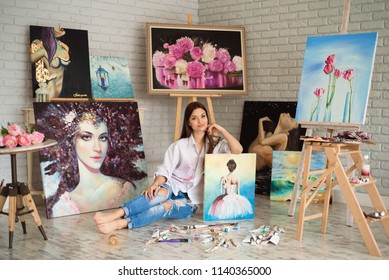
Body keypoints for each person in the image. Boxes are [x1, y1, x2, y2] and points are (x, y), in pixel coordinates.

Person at [93, 101, 243, 234]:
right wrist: (156, 183)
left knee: (165, 207)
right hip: (173, 185)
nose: (200, 121)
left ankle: (122, 223)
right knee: (157, 194)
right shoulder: (179, 146)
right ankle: (117, 213)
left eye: (203, 116)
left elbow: (238, 150)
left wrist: (221, 129)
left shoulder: (217, 144)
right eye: (194, 118)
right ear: (188, 122)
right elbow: (166, 169)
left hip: (192, 201)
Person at [35, 102, 147, 218]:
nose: (97, 148)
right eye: (86, 137)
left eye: (103, 138)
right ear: (71, 141)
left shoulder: (123, 189)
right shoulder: (62, 206)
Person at [30, 26, 70, 99]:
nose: (61, 27)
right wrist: (43, 52)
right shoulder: (38, 44)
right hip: (46, 87)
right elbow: (32, 58)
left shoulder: (61, 45)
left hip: (58, 88)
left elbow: (66, 60)